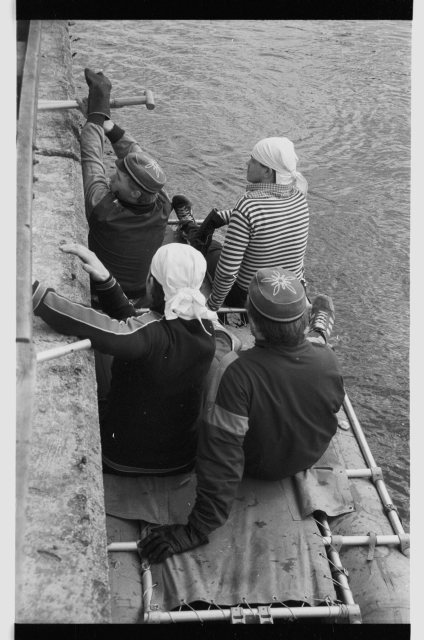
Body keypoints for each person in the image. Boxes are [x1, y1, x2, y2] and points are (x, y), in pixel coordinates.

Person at [137, 268, 345, 562]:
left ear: (255, 328)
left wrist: (197, 529)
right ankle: (320, 329)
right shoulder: (328, 358)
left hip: (259, 465)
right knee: (319, 345)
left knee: (216, 359)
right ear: (302, 320)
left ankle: (221, 336)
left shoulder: (235, 371)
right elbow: (332, 405)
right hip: (307, 455)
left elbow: (220, 459)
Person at [33, 242, 220, 475]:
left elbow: (113, 331)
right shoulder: (206, 327)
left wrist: (36, 294)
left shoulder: (151, 334)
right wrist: (107, 281)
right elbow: (143, 331)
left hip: (124, 458)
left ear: (151, 283)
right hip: (180, 459)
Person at [171, 137, 309, 312]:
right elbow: (269, 214)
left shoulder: (248, 205)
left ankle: (188, 226)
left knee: (211, 247)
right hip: (291, 290)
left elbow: (227, 272)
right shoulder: (299, 197)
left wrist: (213, 305)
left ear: (267, 172)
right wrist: (224, 216)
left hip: (250, 296)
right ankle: (191, 227)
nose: (247, 163)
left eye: (253, 160)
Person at [77, 68, 172, 307]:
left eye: (117, 178)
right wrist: (105, 122)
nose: (111, 177)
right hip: (140, 293)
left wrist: (97, 110)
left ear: (135, 193)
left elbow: (91, 156)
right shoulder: (162, 203)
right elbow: (138, 157)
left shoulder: (104, 208)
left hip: (102, 294)